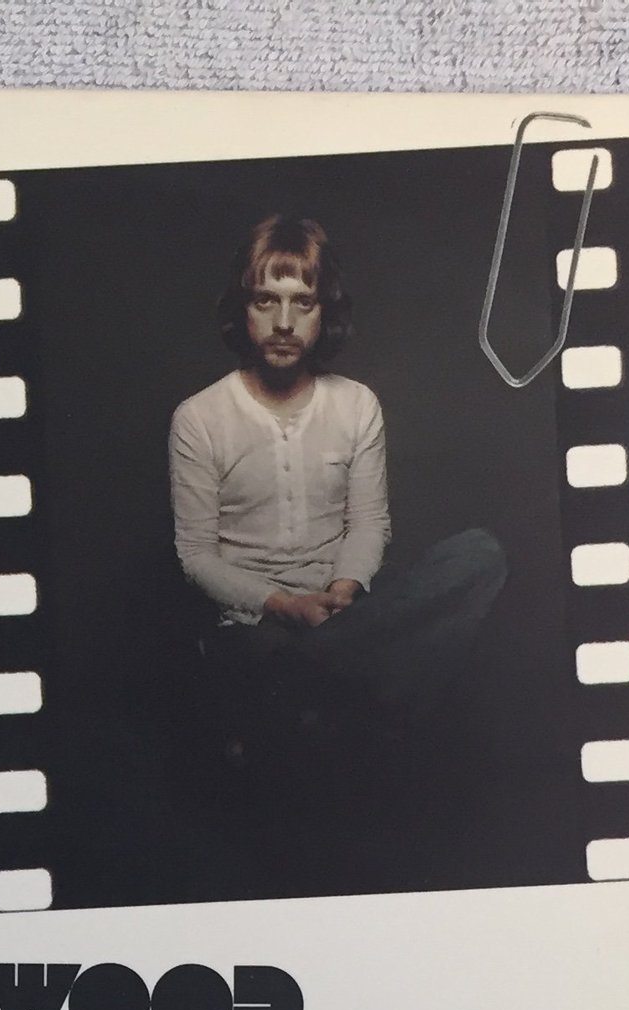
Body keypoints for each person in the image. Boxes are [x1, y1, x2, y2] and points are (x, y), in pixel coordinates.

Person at [168, 215, 507, 745]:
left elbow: (369, 523)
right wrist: (287, 605)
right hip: (255, 626)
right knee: (278, 661)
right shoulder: (198, 417)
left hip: (348, 613)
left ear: (324, 310)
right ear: (243, 308)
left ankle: (313, 695)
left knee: (479, 554)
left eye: (302, 303)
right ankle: (338, 703)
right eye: (266, 301)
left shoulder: (356, 404)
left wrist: (342, 593)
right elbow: (196, 557)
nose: (284, 322)